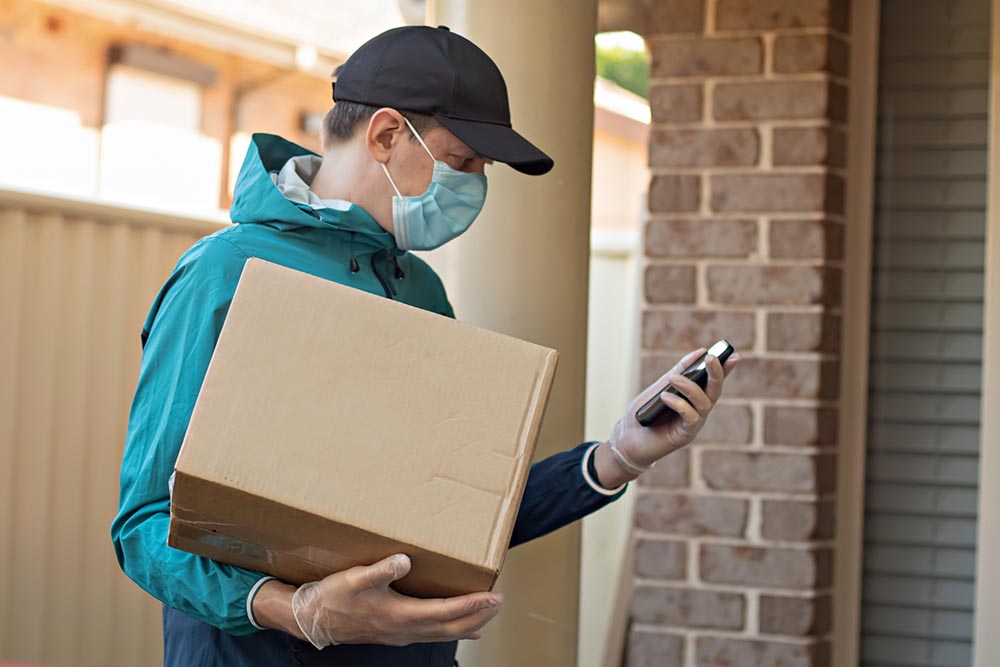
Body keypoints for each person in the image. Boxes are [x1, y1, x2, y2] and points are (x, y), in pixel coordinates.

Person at [111, 25, 740, 667]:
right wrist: (296, 611)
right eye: (463, 161)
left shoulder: (419, 288)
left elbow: (454, 517)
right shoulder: (223, 273)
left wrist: (618, 456)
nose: (475, 186)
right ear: (386, 135)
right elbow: (144, 527)